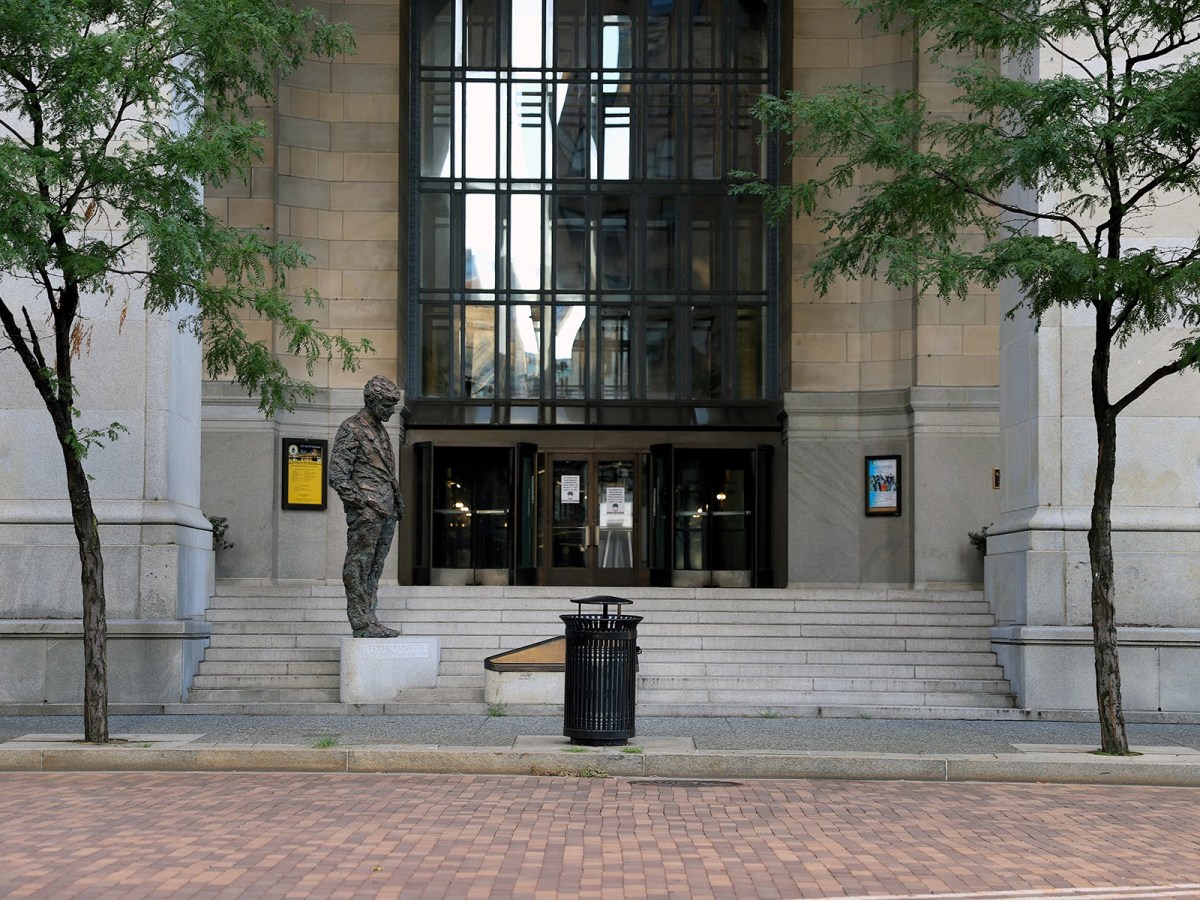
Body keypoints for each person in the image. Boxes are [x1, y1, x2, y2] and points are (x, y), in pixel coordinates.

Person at [329, 376, 405, 638]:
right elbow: (338, 475)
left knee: (374, 567)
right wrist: (363, 504)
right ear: (371, 402)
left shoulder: (380, 430)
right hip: (369, 511)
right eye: (386, 405)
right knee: (359, 565)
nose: (391, 411)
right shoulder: (352, 428)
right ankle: (360, 622)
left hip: (387, 510)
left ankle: (370, 618)